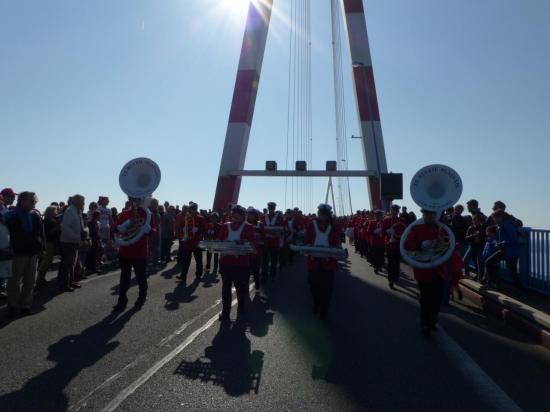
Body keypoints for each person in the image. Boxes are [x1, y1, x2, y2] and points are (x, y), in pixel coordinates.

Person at [403, 209, 448, 336]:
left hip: (438, 269)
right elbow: (407, 245)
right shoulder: (417, 228)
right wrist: (420, 244)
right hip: (423, 269)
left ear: (435, 215)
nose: (429, 217)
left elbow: (448, 246)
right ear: (423, 215)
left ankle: (432, 319)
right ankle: (425, 324)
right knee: (426, 297)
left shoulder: (442, 229)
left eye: (431, 214)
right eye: (426, 214)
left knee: (437, 298)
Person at [4, 192, 45, 317]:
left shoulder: (35, 215)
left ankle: (26, 306)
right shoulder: (10, 215)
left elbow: (41, 233)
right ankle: (13, 305)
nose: (34, 203)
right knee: (14, 281)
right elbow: (6, 235)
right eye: (31, 201)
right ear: (21, 200)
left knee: (30, 280)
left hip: (33, 252)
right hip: (17, 253)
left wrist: (42, 247)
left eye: (34, 201)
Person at [113, 197, 157, 311]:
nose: (135, 202)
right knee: (124, 277)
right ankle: (122, 301)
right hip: (125, 250)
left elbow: (154, 231)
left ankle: (142, 296)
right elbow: (115, 229)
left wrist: (149, 230)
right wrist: (119, 228)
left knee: (141, 276)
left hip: (140, 251)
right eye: (133, 200)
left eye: (137, 200)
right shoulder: (125, 213)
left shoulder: (147, 214)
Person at [217, 205, 258, 322]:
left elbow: (253, 245)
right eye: (233, 214)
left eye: (238, 214)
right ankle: (225, 313)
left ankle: (241, 310)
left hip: (241, 264)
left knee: (241, 289)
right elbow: (219, 241)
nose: (235, 216)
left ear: (243, 216)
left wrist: (244, 243)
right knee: (226, 289)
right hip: (225, 262)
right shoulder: (225, 226)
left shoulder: (248, 227)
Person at [304, 204, 341, 320]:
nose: (323, 215)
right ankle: (316, 302)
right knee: (313, 287)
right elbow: (307, 240)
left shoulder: (334, 226)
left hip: (328, 263)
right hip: (314, 262)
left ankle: (324, 310)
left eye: (325, 213)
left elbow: (337, 242)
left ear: (328, 214)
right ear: (318, 213)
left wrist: (336, 251)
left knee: (327, 289)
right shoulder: (311, 225)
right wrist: (308, 246)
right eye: (321, 213)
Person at [483, 209, 523, 293]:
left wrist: (501, 244)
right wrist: (498, 243)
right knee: (488, 262)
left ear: (500, 217)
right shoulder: (500, 226)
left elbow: (513, 239)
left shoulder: (507, 226)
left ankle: (522, 292)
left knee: (513, 273)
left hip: (511, 252)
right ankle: (492, 283)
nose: (493, 220)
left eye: (494, 218)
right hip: (504, 250)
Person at [59, 195, 86, 292]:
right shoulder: (70, 211)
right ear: (76, 202)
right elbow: (66, 228)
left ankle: (70, 281)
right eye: (82, 201)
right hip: (68, 242)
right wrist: (77, 238)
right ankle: (64, 284)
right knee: (68, 264)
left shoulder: (76, 211)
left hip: (73, 241)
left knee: (72, 263)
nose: (84, 203)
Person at [175, 202, 206, 282]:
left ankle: (199, 275)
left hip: (197, 243)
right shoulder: (187, 218)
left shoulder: (201, 218)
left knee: (198, 261)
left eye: (193, 209)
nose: (192, 211)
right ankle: (183, 276)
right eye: (191, 209)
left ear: (196, 209)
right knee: (186, 261)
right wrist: (184, 230)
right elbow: (182, 227)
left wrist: (198, 230)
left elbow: (204, 230)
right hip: (188, 242)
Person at [36, 205, 60, 289]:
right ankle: (40, 279)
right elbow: (47, 233)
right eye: (55, 211)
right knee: (46, 261)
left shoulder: (52, 220)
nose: (56, 212)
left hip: (51, 242)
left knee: (48, 261)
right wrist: (58, 228)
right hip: (48, 243)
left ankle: (41, 279)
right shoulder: (46, 221)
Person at [382, 205, 406, 288]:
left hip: (398, 245)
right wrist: (387, 231)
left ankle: (396, 278)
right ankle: (391, 280)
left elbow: (404, 232)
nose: (395, 212)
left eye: (396, 210)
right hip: (389, 245)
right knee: (391, 263)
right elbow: (383, 232)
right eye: (393, 210)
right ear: (391, 210)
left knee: (397, 263)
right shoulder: (386, 220)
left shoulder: (401, 220)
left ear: (398, 211)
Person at [261, 202, 284, 282]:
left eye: (272, 207)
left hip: (275, 242)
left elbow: (282, 230)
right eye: (270, 207)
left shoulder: (279, 217)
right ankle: (264, 275)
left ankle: (273, 274)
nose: (271, 209)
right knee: (265, 260)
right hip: (265, 242)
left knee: (274, 260)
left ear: (274, 208)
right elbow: (261, 228)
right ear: (268, 208)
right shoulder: (264, 217)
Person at [463, 214, 486, 281]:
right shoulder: (471, 227)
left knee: (480, 263)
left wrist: (479, 237)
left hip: (480, 248)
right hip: (472, 247)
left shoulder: (483, 228)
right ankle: (467, 274)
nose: (474, 221)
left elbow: (485, 237)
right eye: (474, 220)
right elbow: (466, 238)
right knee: (465, 260)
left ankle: (480, 278)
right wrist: (473, 236)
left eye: (476, 220)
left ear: (480, 221)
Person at [246, 207, 264, 290]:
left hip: (257, 251)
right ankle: (245, 288)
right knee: (246, 270)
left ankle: (257, 287)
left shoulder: (260, 224)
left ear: (256, 216)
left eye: (253, 215)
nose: (251, 216)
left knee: (256, 271)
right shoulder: (244, 224)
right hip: (246, 251)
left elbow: (263, 238)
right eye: (250, 215)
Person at [85, 210, 101, 274]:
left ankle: (94, 268)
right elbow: (91, 233)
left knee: (95, 255)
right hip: (92, 241)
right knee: (90, 255)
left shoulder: (96, 223)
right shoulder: (90, 223)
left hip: (95, 241)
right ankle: (89, 269)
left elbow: (97, 232)